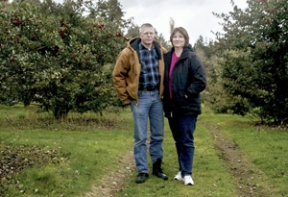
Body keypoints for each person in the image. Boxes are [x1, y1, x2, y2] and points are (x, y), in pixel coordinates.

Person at [112, 23, 168, 184]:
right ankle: (142, 170)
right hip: (140, 98)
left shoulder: (161, 51)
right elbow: (117, 75)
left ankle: (157, 167)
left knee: (158, 135)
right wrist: (125, 97)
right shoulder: (129, 53)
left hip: (157, 97)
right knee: (141, 136)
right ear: (140, 35)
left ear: (154, 35)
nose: (149, 36)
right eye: (146, 33)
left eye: (151, 33)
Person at [163, 27, 206, 186]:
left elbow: (200, 80)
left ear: (185, 39)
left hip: (187, 107)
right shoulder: (167, 57)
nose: (178, 39)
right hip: (172, 107)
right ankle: (181, 171)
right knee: (178, 140)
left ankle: (187, 173)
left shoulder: (192, 57)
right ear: (171, 39)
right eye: (175, 37)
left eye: (181, 37)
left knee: (187, 139)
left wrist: (187, 94)